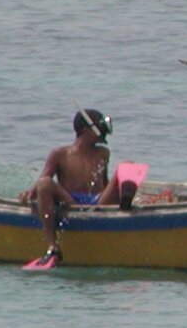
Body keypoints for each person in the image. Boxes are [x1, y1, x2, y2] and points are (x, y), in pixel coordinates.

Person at [18, 108, 138, 266]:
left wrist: (119, 192)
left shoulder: (103, 153)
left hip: (98, 202)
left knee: (128, 165)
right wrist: (30, 193)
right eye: (99, 126)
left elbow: (104, 182)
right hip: (71, 201)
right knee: (45, 183)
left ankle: (126, 205)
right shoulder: (60, 154)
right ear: (87, 129)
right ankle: (53, 247)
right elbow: (43, 179)